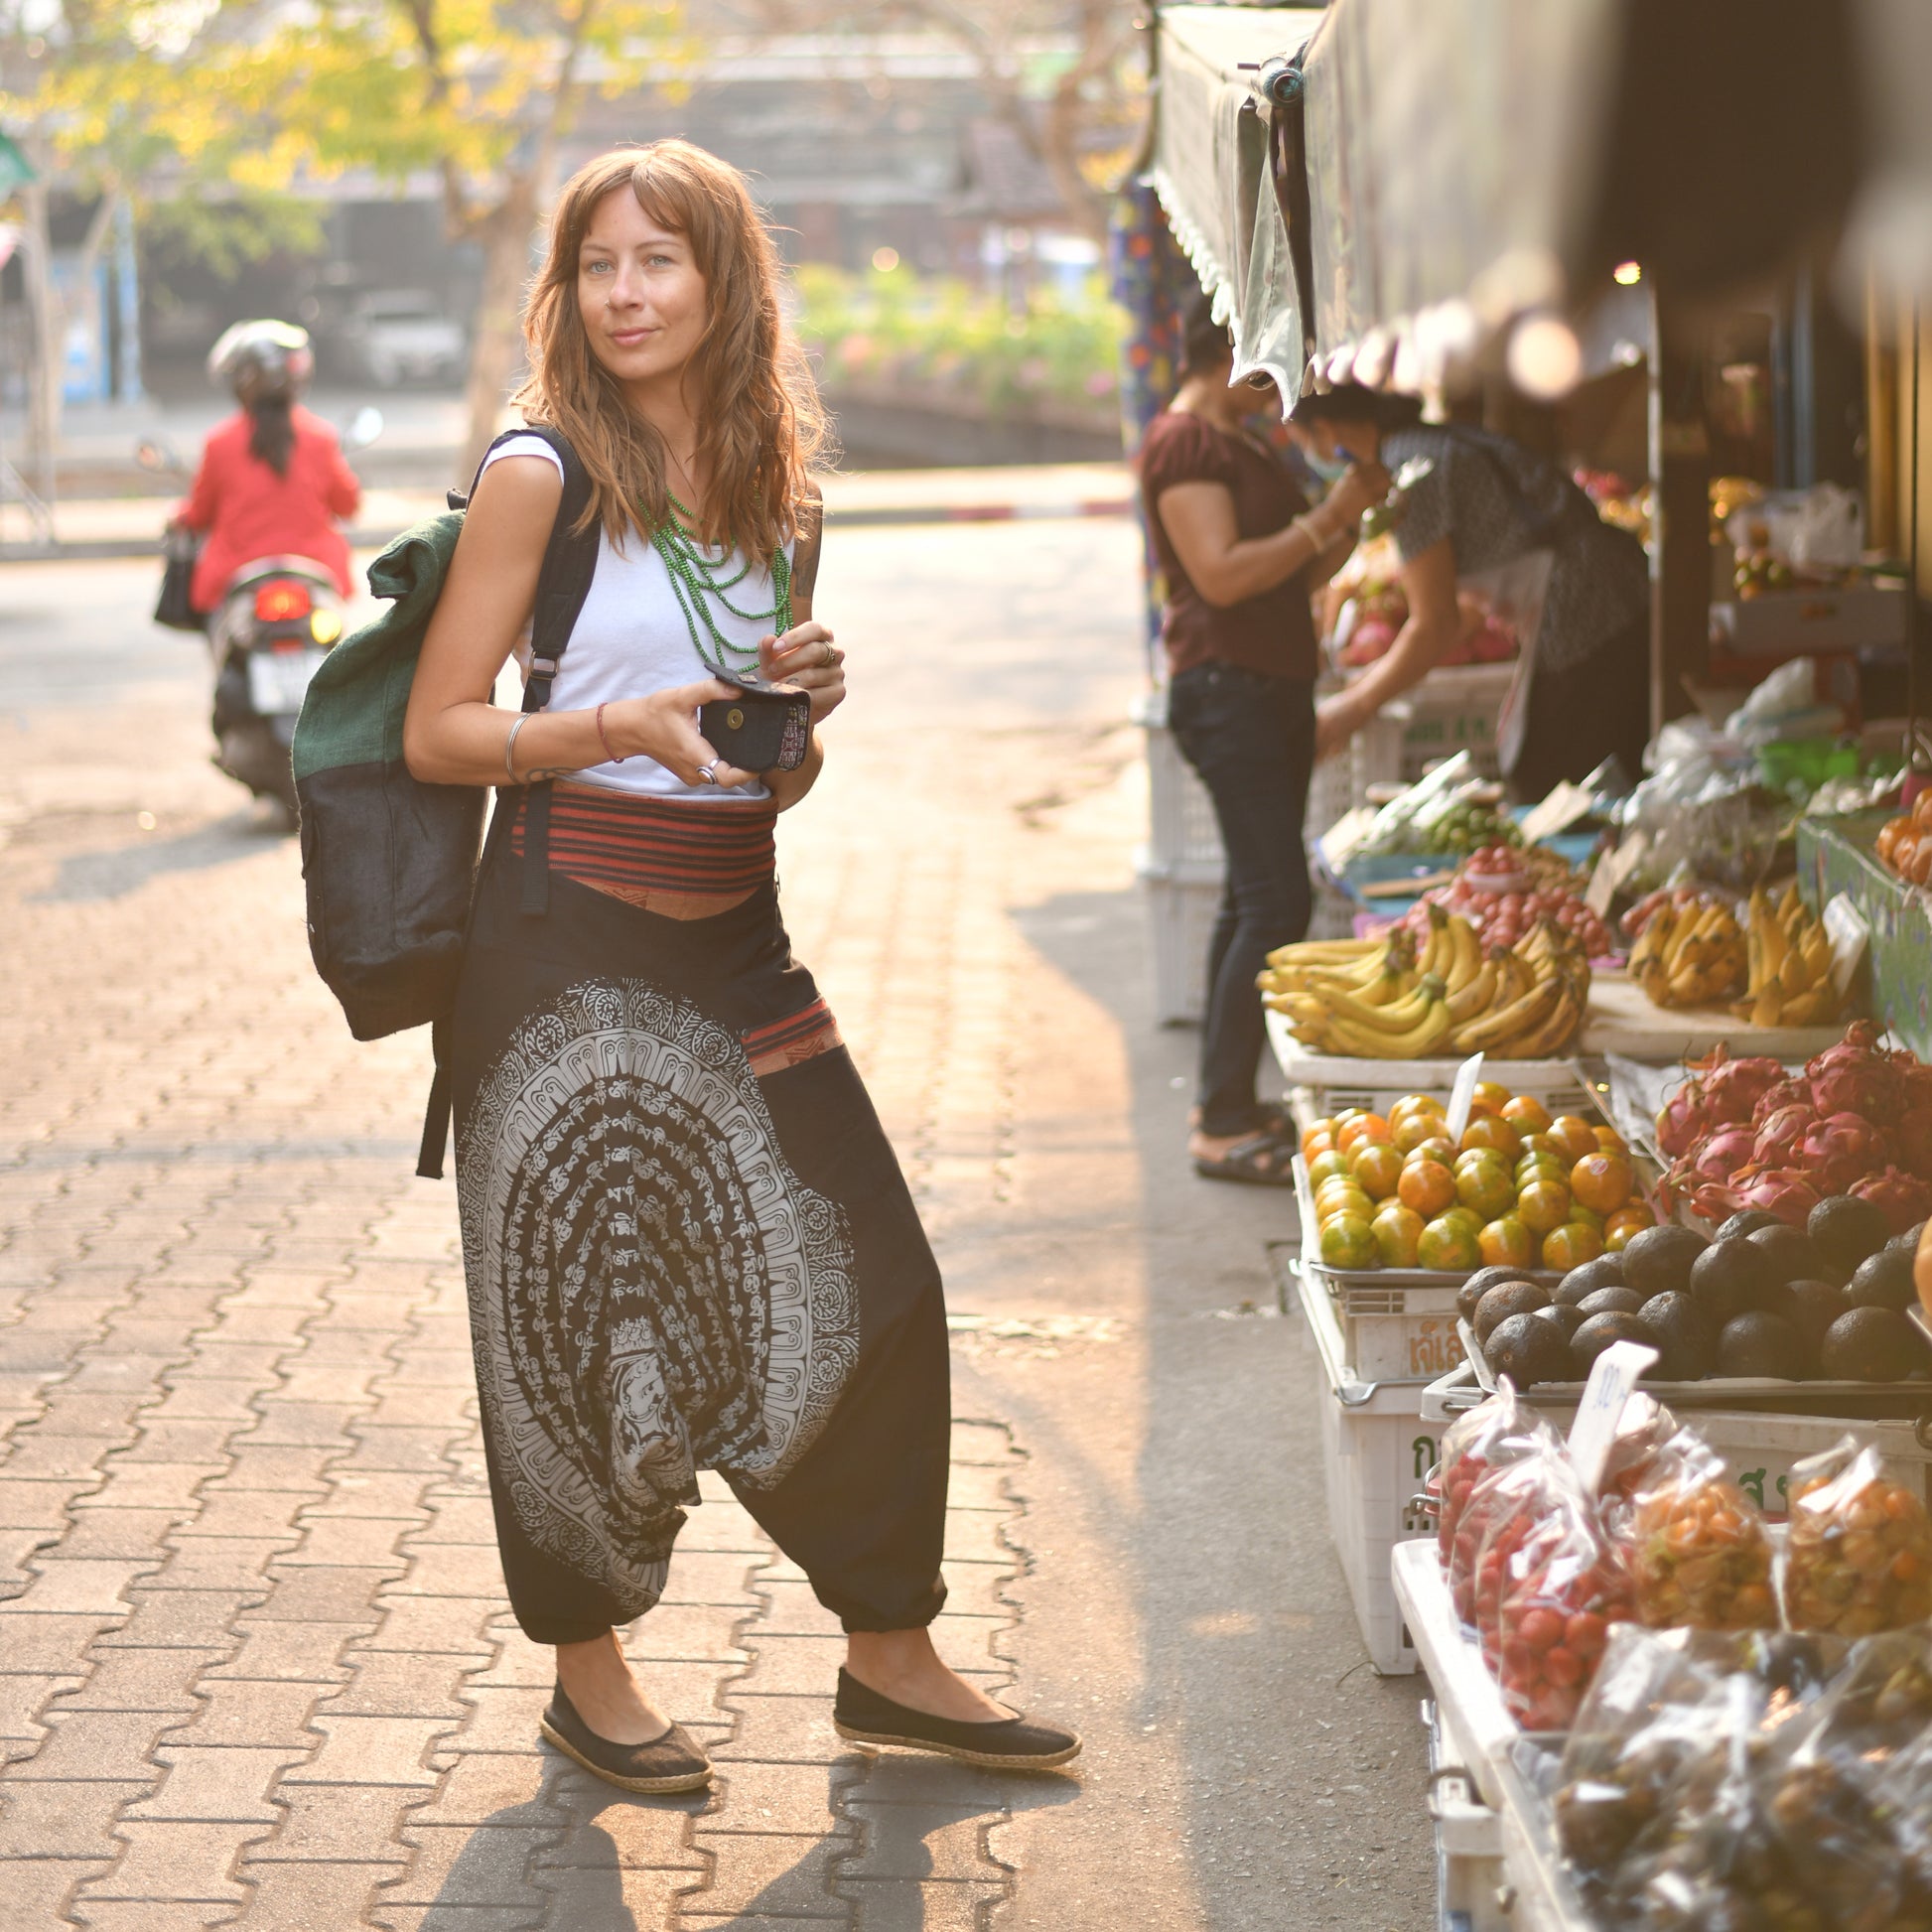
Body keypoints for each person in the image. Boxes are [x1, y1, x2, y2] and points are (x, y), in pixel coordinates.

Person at [402, 141, 1079, 1795]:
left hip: (735, 930)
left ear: (724, 282)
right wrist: (608, 727)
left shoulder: (784, 495)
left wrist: (800, 724)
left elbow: (767, 774)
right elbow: (438, 732)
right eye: (598, 266)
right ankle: (589, 1672)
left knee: (878, 1275)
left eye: (661, 261)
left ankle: (892, 1655)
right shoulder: (537, 474)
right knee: (580, 1322)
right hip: (558, 944)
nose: (626, 295)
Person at [1140, 298, 1388, 1185]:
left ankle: (1229, 1102)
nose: (1287, 387)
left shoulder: (1243, 444)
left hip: (1270, 685)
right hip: (1228, 690)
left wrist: (1349, 515)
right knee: (1275, 899)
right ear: (1231, 358)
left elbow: (1296, 571)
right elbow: (1222, 576)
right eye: (1272, 368)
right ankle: (1220, 1120)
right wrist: (1328, 520)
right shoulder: (1185, 444)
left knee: (1254, 899)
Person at [1288, 385, 1652, 800]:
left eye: (1303, 445)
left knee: (1561, 785)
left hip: (1587, 607)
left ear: (1325, 430)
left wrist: (1349, 712)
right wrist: (1371, 683)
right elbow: (1457, 614)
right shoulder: (1430, 442)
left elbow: (1435, 624)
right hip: (1611, 597)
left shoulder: (1409, 471)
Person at [175, 320, 361, 617]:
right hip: (317, 572)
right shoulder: (321, 437)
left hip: (236, 575)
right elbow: (348, 504)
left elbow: (199, 515)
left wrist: (178, 517)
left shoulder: (220, 443)